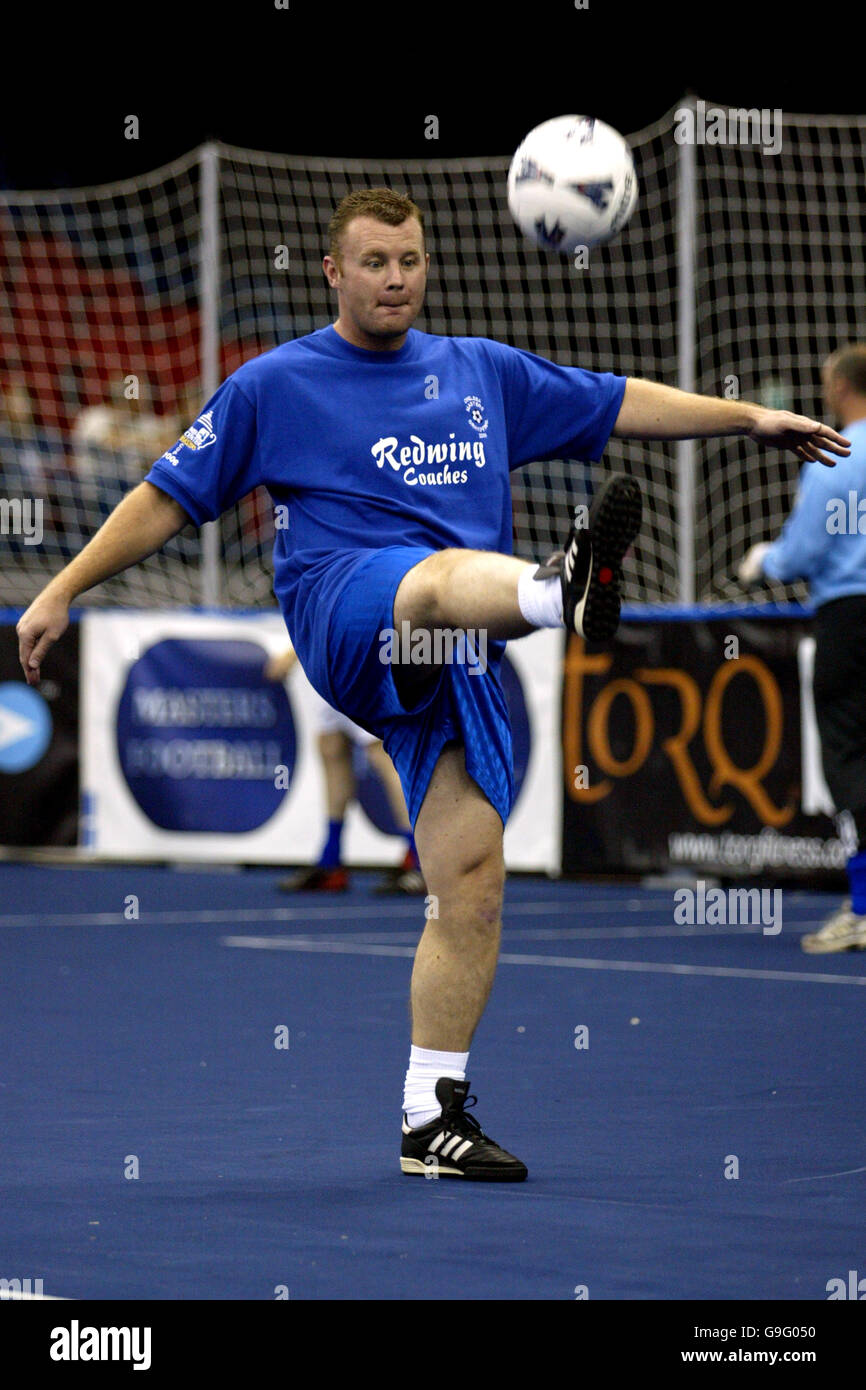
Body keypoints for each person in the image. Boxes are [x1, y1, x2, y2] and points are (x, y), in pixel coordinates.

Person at [18, 187, 849, 1181]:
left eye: (407, 261)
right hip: (350, 606)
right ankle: (559, 592)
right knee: (430, 578)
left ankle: (430, 1116)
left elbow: (618, 400)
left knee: (471, 883)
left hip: (456, 655)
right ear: (332, 272)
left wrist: (745, 416)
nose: (393, 279)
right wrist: (63, 587)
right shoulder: (272, 385)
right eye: (372, 262)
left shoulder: (477, 371)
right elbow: (165, 498)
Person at [739, 344, 866, 955]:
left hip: (849, 617)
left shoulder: (835, 456)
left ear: (841, 390)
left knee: (847, 754)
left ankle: (864, 908)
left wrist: (765, 560)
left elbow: (802, 553)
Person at [264, 646, 425, 894]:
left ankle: (421, 862)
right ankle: (331, 861)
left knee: (382, 754)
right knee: (332, 749)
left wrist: (293, 652)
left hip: (357, 655)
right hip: (324, 660)